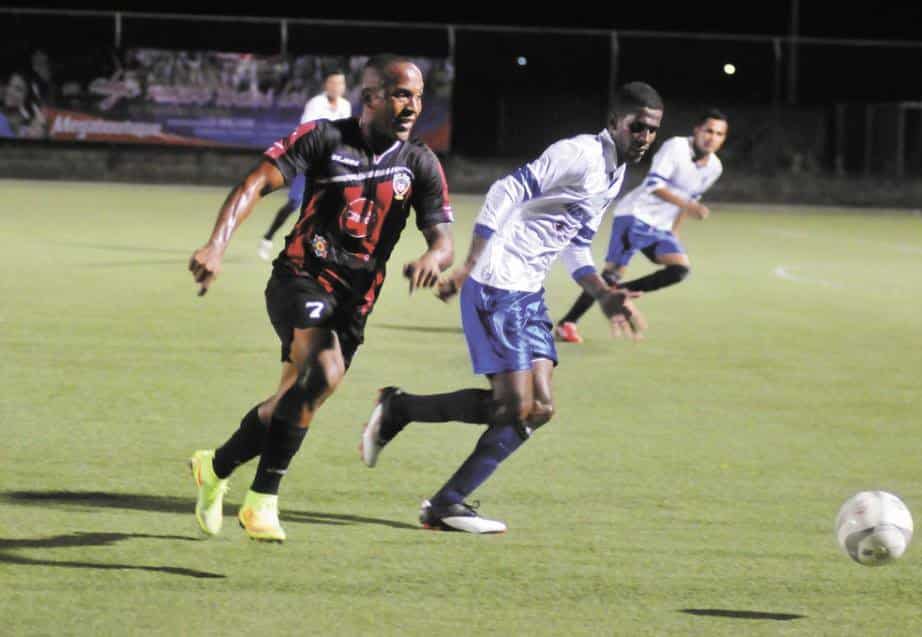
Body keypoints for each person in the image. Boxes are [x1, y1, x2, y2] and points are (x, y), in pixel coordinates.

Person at [359, 82, 663, 533]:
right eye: (637, 126)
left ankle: (442, 496)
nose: (644, 137)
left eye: (652, 130)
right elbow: (506, 189)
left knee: (539, 409)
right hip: (495, 282)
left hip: (528, 292)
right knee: (514, 406)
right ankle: (404, 420)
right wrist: (468, 265)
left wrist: (603, 294)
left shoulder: (615, 173)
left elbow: (577, 247)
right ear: (616, 121)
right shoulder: (579, 154)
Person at [188, 55, 453, 542]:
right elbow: (256, 183)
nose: (413, 106)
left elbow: (442, 237)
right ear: (370, 97)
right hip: (299, 279)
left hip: (354, 304)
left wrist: (436, 256)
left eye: (417, 96)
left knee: (293, 400)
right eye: (401, 94)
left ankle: (215, 467)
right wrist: (217, 244)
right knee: (324, 372)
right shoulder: (325, 138)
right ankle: (262, 502)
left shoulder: (419, 163)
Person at [554, 110, 728, 343]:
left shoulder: (714, 167)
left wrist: (674, 231)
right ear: (697, 130)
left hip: (661, 227)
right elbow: (655, 185)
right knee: (610, 275)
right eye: (709, 130)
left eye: (719, 134)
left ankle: (619, 293)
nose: (712, 137)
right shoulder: (676, 147)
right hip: (634, 216)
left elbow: (690, 201)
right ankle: (567, 323)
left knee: (680, 270)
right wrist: (688, 205)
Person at [258, 70, 353, 261]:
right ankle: (268, 237)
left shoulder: (345, 106)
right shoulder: (316, 104)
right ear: (326, 85)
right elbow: (307, 132)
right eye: (333, 83)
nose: (336, 87)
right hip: (310, 161)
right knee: (294, 202)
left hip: (333, 164)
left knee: (340, 205)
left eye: (340, 84)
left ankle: (327, 249)